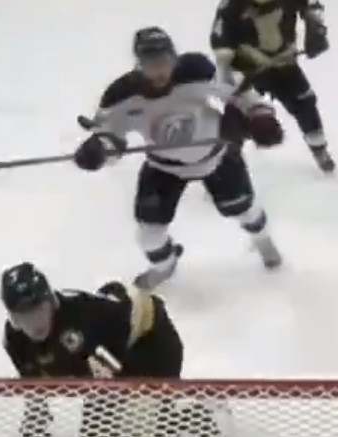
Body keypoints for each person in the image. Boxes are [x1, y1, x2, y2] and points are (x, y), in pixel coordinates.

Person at [0, 261, 218, 437]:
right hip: (112, 359)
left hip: (152, 342)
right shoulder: (16, 341)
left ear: (51, 303)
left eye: (38, 310)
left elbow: (118, 377)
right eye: (23, 317)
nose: (33, 324)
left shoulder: (84, 321)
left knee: (139, 431)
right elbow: (35, 384)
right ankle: (192, 418)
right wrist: (36, 416)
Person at [74, 26, 284, 290]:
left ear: (175, 58)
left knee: (243, 209)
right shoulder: (121, 96)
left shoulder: (197, 71)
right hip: (163, 168)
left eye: (164, 61)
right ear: (138, 65)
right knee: (149, 233)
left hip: (216, 157)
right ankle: (165, 266)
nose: (159, 71)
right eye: (150, 64)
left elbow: (242, 93)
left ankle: (263, 241)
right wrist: (97, 150)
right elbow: (109, 135)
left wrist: (260, 117)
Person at [210, 0, 334, 173]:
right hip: (246, 66)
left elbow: (312, 5)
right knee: (238, 117)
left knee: (305, 103)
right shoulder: (231, 6)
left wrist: (316, 26)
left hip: (284, 61)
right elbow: (220, 45)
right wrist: (250, 100)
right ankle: (227, 163)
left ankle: (319, 149)